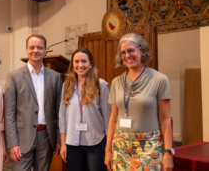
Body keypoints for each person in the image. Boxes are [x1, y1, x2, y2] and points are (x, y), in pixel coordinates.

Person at [104, 33, 174, 171]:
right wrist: (107, 151)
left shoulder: (159, 79)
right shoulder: (116, 82)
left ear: (142, 51)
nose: (127, 55)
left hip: (149, 147)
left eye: (131, 50)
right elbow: (113, 119)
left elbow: (165, 119)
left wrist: (168, 152)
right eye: (123, 52)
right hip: (121, 147)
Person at [4, 34, 62, 171]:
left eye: (40, 47)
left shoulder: (55, 77)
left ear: (45, 50)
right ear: (26, 50)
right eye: (32, 47)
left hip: (46, 138)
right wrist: (12, 143)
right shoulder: (14, 76)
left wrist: (58, 139)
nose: (35, 50)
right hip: (22, 138)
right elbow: (9, 113)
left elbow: (59, 110)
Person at [59, 47, 111, 171]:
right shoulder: (67, 85)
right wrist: (63, 144)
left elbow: (109, 118)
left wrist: (109, 147)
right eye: (76, 62)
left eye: (84, 61)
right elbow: (62, 116)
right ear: (72, 64)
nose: (80, 65)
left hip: (96, 141)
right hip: (72, 141)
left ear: (91, 63)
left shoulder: (101, 85)